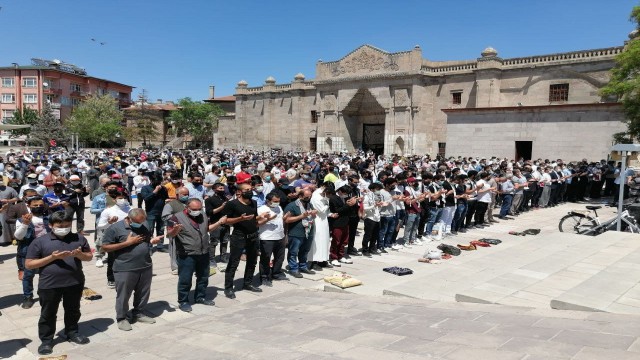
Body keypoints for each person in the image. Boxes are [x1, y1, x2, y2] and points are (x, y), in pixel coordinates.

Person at [25, 211, 93, 356]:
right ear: (51, 226)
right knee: (48, 313)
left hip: (74, 282)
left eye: (67, 225)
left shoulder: (78, 238)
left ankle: (72, 332)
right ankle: (46, 340)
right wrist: (52, 257)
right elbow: (29, 264)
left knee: (73, 309)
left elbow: (89, 257)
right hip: (49, 284)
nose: (64, 228)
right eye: (60, 226)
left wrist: (79, 255)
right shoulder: (40, 241)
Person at [101, 208, 163, 331]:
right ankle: (122, 318)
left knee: (143, 292)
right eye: (137, 222)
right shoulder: (115, 228)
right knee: (123, 295)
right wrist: (128, 243)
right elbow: (104, 247)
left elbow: (145, 240)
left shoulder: (144, 223)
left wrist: (151, 241)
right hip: (125, 268)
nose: (141, 224)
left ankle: (139, 313)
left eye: (142, 221)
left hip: (145, 265)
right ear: (129, 219)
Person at [166, 198, 225, 311]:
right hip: (187, 254)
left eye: (199, 208)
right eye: (194, 209)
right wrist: (176, 230)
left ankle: (200, 297)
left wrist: (219, 222)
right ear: (187, 208)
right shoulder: (176, 217)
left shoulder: (202, 215)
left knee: (203, 277)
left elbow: (207, 229)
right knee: (185, 279)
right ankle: (183, 301)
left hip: (203, 252)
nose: (197, 211)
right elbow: (169, 235)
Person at [221, 182, 264, 299]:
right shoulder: (232, 204)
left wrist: (261, 219)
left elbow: (254, 218)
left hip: (253, 236)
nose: (250, 191)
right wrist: (240, 218)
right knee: (234, 262)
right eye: (247, 190)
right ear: (239, 192)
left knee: (252, 261)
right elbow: (225, 221)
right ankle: (229, 287)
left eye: (251, 189)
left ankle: (248, 283)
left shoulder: (254, 203)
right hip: (239, 236)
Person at [14, 195, 50, 309]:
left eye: (40, 205)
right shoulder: (22, 220)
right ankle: (28, 297)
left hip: (46, 252)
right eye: (35, 205)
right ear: (29, 206)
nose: (38, 207)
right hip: (28, 253)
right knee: (28, 277)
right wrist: (25, 224)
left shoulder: (49, 219)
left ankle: (43, 293)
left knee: (46, 274)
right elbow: (18, 237)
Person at [98, 191, 131, 288]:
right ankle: (111, 278)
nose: (122, 200)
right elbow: (100, 226)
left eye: (124, 198)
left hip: (128, 237)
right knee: (112, 259)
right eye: (120, 198)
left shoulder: (131, 209)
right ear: (114, 199)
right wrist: (109, 222)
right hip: (114, 238)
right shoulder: (108, 211)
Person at [284, 189, 317, 277]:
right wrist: (301, 216)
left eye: (310, 196)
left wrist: (314, 213)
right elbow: (287, 219)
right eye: (307, 197)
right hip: (296, 233)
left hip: (308, 231)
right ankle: (293, 269)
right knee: (293, 252)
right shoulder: (292, 206)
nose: (309, 198)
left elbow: (313, 215)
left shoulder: (309, 204)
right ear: (300, 196)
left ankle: (303, 266)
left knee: (305, 251)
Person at [257, 192, 287, 286]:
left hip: (280, 236)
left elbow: (281, 220)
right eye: (275, 201)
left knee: (279, 257)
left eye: (278, 201)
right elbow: (258, 223)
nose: (277, 203)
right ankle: (264, 276)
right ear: (268, 201)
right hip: (267, 237)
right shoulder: (261, 209)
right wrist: (268, 219)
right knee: (266, 258)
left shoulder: (279, 207)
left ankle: (276, 272)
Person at [309, 183, 332, 270]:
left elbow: (326, 212)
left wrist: (331, 214)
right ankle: (314, 261)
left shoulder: (325, 198)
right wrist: (327, 205)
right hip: (318, 221)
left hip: (324, 221)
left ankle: (323, 260)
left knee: (325, 240)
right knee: (317, 240)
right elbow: (321, 210)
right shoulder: (316, 197)